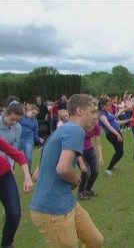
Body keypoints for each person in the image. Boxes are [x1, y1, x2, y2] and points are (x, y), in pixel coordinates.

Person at [30, 94, 104, 248]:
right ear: (79, 111)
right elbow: (63, 168)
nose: (96, 117)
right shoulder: (76, 130)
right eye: (92, 112)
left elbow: (36, 174)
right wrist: (76, 180)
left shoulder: (62, 130)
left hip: (67, 203)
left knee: (95, 240)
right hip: (52, 210)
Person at [0, 137, 33, 248]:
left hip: (4, 175)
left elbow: (18, 155)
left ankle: (7, 244)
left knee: (14, 214)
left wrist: (27, 178)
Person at [98, 97, 131, 176]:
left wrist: (127, 120)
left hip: (116, 132)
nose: (109, 107)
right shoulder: (101, 115)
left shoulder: (107, 113)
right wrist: (117, 134)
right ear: (102, 106)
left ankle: (112, 165)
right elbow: (108, 126)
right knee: (120, 152)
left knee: (119, 151)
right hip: (112, 134)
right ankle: (108, 169)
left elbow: (115, 122)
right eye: (107, 105)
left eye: (109, 105)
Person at [77, 115, 104, 200]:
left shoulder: (96, 127)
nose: (95, 121)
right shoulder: (80, 127)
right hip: (79, 151)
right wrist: (81, 163)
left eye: (97, 120)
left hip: (90, 149)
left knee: (95, 171)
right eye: (94, 119)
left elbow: (98, 143)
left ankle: (88, 189)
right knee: (86, 172)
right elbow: (76, 145)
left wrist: (100, 157)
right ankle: (80, 192)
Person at [18, 104, 44, 174]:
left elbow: (35, 132)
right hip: (18, 139)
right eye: (33, 113)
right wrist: (30, 125)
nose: (34, 115)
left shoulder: (35, 121)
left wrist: (38, 139)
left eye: (35, 114)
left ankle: (28, 172)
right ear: (29, 110)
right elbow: (19, 121)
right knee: (12, 158)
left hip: (29, 140)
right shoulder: (21, 116)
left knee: (29, 158)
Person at [0, 98, 24, 169]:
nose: (14, 123)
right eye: (12, 119)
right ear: (5, 113)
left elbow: (14, 147)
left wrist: (10, 165)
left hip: (9, 157)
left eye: (17, 120)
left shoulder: (18, 127)